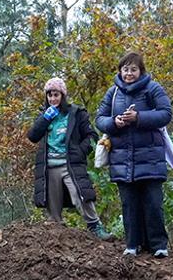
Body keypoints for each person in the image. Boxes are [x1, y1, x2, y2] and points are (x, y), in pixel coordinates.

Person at [96, 52, 173, 256]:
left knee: (153, 204)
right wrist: (114, 122)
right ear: (120, 71)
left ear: (141, 71)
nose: (129, 73)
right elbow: (99, 119)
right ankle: (132, 245)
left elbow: (166, 114)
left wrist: (138, 117)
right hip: (122, 159)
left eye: (133, 69)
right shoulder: (112, 93)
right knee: (129, 205)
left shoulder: (153, 88)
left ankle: (159, 246)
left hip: (151, 158)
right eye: (125, 69)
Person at [28, 77, 112, 240]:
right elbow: (32, 136)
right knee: (53, 205)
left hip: (70, 164)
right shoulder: (45, 114)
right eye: (50, 95)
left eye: (56, 95)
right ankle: (57, 236)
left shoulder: (76, 113)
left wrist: (80, 151)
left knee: (81, 195)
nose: (53, 99)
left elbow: (91, 135)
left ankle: (95, 227)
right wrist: (45, 119)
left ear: (63, 95)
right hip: (49, 166)